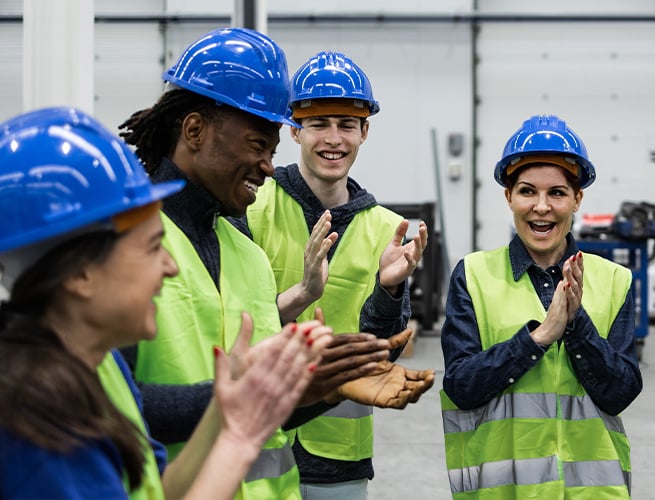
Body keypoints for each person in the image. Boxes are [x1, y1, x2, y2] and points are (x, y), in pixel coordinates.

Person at [117, 28, 431, 499]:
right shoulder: (123, 245)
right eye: (256, 146)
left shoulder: (244, 254)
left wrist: (327, 388)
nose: (267, 166)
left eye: (270, 152)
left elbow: (266, 414)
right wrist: (252, 392)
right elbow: (105, 403)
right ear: (195, 130)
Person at [0, 106, 328, 499]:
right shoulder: (39, 420)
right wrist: (238, 438)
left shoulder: (100, 368)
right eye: (154, 246)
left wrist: (230, 411)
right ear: (79, 273)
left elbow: (157, 490)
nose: (172, 266)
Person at [235, 50, 432, 499]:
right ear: (294, 129)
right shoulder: (251, 205)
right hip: (256, 439)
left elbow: (384, 352)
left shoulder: (387, 228)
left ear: (365, 131)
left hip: (338, 454)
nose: (333, 139)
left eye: (346, 125)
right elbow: (229, 324)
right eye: (319, 124)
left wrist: (389, 290)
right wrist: (302, 293)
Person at [440, 114, 642, 498]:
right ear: (509, 197)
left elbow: (621, 392)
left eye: (558, 193)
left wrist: (577, 325)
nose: (541, 207)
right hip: (503, 490)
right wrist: (539, 338)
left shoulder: (615, 280)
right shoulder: (473, 274)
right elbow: (461, 387)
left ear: (577, 199)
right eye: (528, 191)